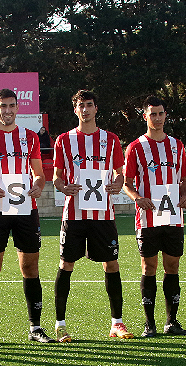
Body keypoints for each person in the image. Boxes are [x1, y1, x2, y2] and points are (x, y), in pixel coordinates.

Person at [0, 89, 53, 346]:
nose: (8, 110)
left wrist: (38, 185)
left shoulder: (29, 137)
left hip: (25, 208)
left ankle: (36, 328)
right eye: (3, 106)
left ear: (18, 108)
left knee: (30, 266)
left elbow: (39, 174)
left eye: (12, 106)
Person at [51, 90, 133, 341]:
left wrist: (119, 183)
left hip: (103, 215)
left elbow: (121, 173)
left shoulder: (111, 139)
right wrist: (63, 187)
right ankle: (60, 323)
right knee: (66, 264)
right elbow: (56, 177)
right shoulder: (64, 140)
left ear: (96, 109)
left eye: (89, 105)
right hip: (74, 214)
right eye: (80, 106)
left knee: (112, 263)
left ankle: (117, 323)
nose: (85, 110)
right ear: (75, 110)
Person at [124, 95, 186, 337]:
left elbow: (184, 179)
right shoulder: (135, 147)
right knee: (149, 266)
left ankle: (171, 322)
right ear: (145, 116)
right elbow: (127, 183)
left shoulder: (177, 145)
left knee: (172, 267)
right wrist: (136, 198)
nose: (158, 117)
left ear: (166, 115)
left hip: (173, 217)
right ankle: (149, 324)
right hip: (148, 218)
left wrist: (185, 195)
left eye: (161, 113)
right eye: (153, 114)